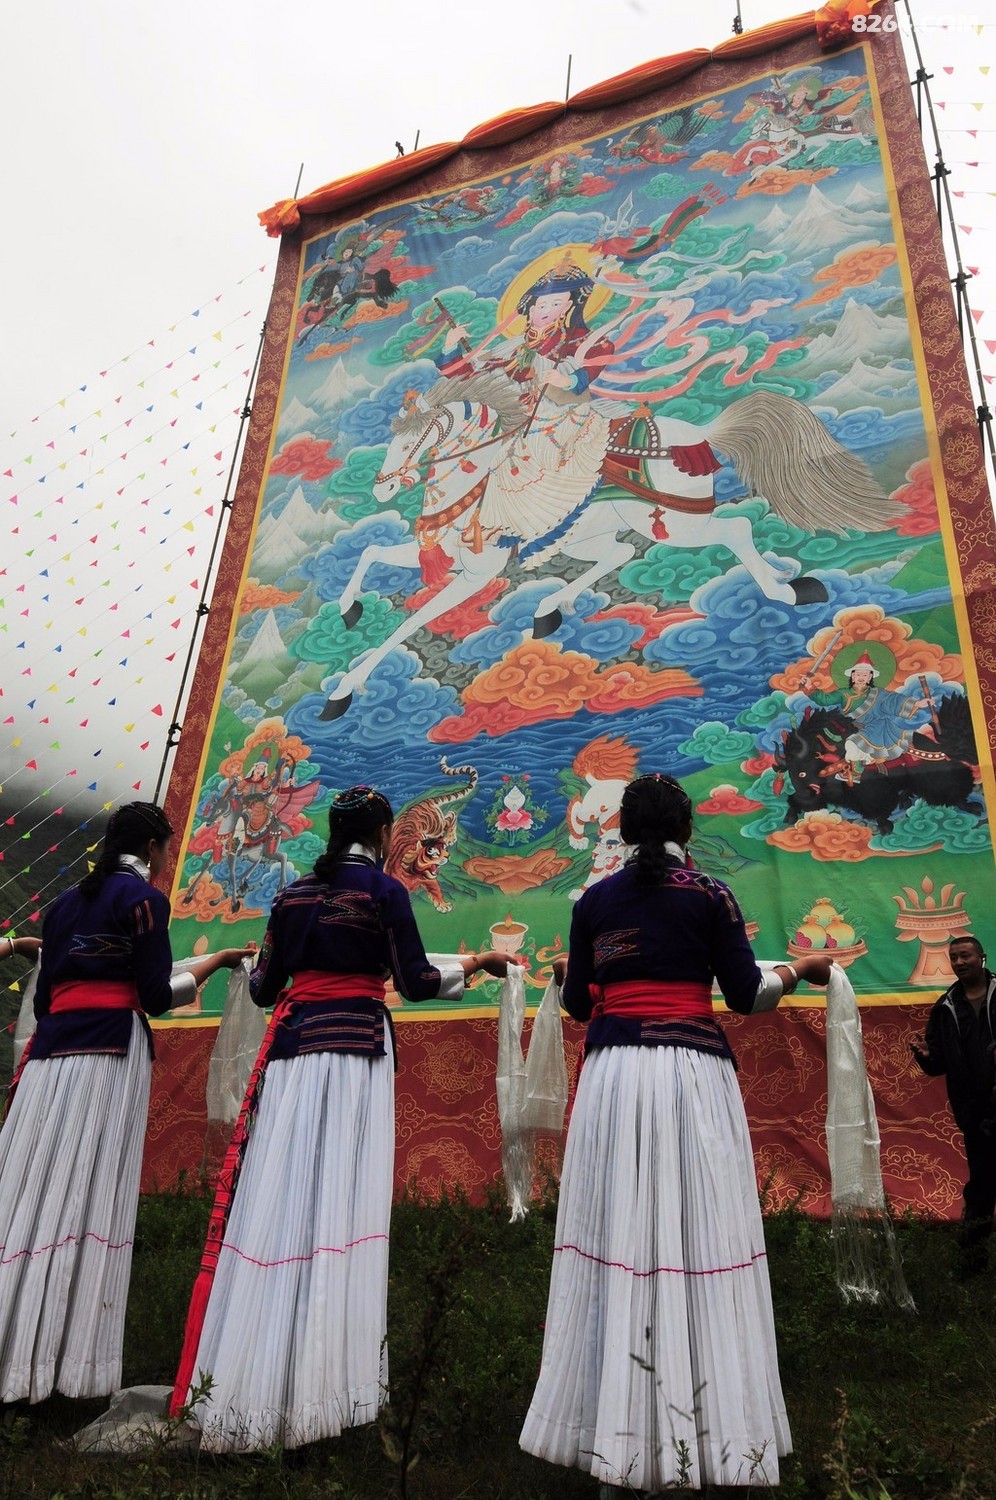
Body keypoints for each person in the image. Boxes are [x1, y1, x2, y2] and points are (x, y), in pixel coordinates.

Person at [171, 783, 521, 1452]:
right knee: (343, 1207)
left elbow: (263, 988)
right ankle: (330, 1394)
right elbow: (416, 982)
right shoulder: (386, 894)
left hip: (295, 1053)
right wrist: (475, 963)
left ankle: (251, 1376)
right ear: (388, 834)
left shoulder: (293, 897)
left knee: (279, 1201)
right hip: (356, 1052)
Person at [519, 773, 831, 1493]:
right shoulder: (710, 894)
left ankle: (613, 1435)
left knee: (620, 1232)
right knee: (698, 1229)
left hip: (615, 1077)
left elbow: (574, 1003)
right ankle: (711, 1429)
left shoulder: (593, 901)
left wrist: (584, 973)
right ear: (685, 827)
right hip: (691, 1073)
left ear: (622, 830)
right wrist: (798, 968)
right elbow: (748, 996)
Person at [0, 801, 251, 1403]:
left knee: (28, 1190)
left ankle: (16, 1349)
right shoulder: (144, 903)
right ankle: (65, 1371)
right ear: (155, 849)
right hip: (109, 1055)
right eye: (167, 849)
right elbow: (154, 996)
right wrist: (215, 963)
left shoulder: (63, 906)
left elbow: (60, 981)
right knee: (88, 1192)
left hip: (50, 1057)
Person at [911, 934, 996, 1275]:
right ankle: (971, 1267)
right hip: (975, 1113)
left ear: (982, 958)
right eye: (955, 958)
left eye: (965, 956)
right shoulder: (945, 1007)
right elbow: (938, 1064)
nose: (960, 962)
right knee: (981, 1187)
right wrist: (926, 1057)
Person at [800, 650, 931, 776]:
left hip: (877, 727)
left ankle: (857, 771)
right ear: (852, 676)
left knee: (851, 743)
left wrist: (917, 704)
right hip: (853, 726)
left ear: (870, 677)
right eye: (858, 674)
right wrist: (809, 686)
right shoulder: (843, 693)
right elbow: (824, 700)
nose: (861, 678)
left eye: (865, 675)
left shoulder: (878, 694)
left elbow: (893, 701)